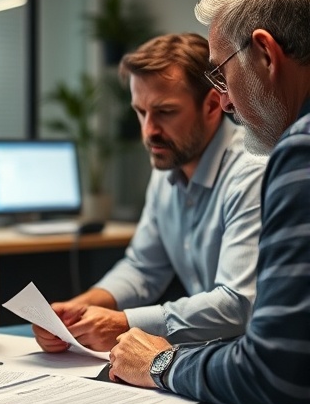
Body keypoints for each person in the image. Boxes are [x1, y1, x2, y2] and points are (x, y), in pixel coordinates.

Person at [109, 0, 310, 404]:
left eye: (223, 72)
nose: (226, 100)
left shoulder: (297, 153)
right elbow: (144, 264)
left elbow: (273, 371)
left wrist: (161, 363)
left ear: (265, 54)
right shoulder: (171, 168)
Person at [33, 33, 266, 353]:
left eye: (165, 112)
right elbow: (143, 268)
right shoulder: (169, 166)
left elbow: (238, 304)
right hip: (206, 353)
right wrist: (83, 307)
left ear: (212, 105)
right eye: (141, 112)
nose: (149, 131)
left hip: (253, 363)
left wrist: (123, 322)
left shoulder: (251, 172)